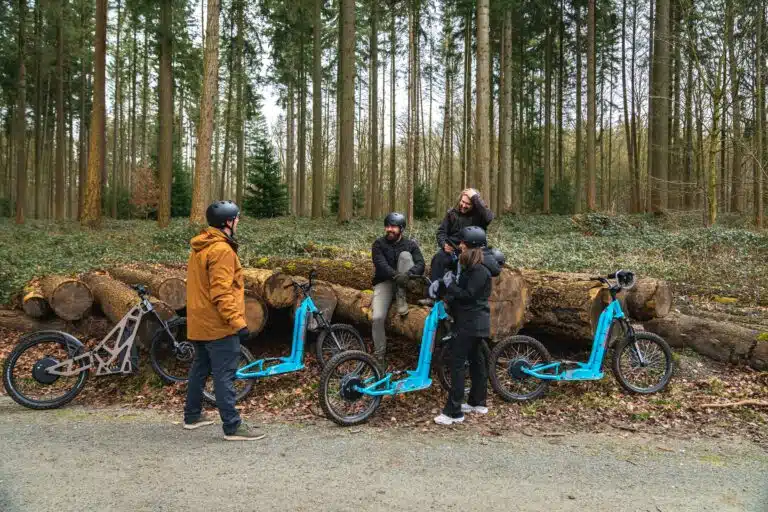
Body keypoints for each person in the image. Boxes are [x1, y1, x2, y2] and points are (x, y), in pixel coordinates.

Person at [183, 200, 264, 441]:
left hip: (200, 322)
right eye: (236, 218)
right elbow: (221, 293)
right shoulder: (222, 250)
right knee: (224, 375)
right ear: (227, 222)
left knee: (200, 369)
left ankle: (192, 416)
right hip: (218, 325)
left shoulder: (201, 246)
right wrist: (238, 323)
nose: (238, 222)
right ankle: (232, 426)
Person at [431, 226, 500, 426]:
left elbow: (467, 295)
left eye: (463, 243)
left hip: (470, 323)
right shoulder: (473, 266)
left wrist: (450, 285)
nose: (460, 245)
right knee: (477, 361)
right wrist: (442, 284)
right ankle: (477, 402)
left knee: (457, 364)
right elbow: (461, 288)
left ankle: (453, 412)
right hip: (474, 323)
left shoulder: (479, 270)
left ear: (471, 246)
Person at [371, 212, 426, 367]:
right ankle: (379, 356)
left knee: (405, 256)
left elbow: (421, 264)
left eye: (393, 227)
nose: (389, 229)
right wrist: (396, 276)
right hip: (385, 282)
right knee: (377, 318)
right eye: (387, 226)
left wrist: (408, 275)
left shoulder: (411, 245)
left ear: (401, 229)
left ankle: (401, 297)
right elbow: (380, 264)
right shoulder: (378, 244)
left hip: (406, 283)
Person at [430, 188, 494, 282]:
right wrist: (443, 244)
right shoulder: (452, 213)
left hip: (472, 252)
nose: (463, 205)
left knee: (470, 269)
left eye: (468, 204)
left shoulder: (480, 215)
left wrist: (475, 197)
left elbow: (489, 218)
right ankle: (434, 288)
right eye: (462, 202)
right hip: (452, 250)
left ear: (474, 204)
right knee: (438, 259)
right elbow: (441, 232)